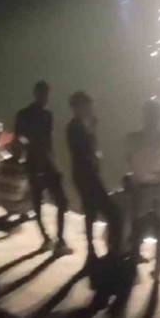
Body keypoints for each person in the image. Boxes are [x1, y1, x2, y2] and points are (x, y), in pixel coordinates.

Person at [14, 81, 72, 256]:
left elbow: (24, 139)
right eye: (44, 94)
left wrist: (51, 161)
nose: (45, 98)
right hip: (39, 162)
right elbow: (27, 139)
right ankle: (54, 240)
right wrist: (35, 150)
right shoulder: (35, 114)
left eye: (46, 94)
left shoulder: (40, 114)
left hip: (38, 161)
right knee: (49, 201)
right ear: (38, 94)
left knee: (46, 201)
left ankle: (52, 239)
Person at [66, 91, 122, 266]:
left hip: (85, 174)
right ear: (78, 107)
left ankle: (92, 252)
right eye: (87, 106)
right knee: (113, 213)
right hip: (86, 175)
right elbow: (84, 151)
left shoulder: (81, 126)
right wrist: (92, 133)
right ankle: (112, 250)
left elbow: (91, 150)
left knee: (91, 211)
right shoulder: (75, 127)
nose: (90, 109)